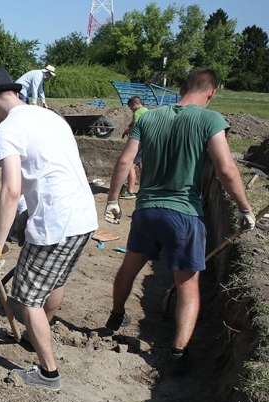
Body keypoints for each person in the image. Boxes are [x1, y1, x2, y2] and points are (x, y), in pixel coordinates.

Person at [103, 68, 256, 374]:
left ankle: (115, 317)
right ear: (210, 92)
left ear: (183, 87)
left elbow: (124, 161)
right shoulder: (210, 120)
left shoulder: (147, 118)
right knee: (187, 284)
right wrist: (244, 208)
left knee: (130, 266)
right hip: (184, 214)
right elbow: (225, 169)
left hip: (146, 211)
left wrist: (112, 200)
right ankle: (177, 351)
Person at [0, 68, 97, 391]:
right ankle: (36, 335)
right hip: (83, 217)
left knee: (27, 297)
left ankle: (48, 373)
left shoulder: (7, 129)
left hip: (54, 224)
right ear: (14, 93)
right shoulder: (50, 116)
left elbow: (11, 190)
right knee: (54, 281)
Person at [119, 96, 149, 199]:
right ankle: (144, 189)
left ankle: (131, 191)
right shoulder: (147, 111)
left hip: (139, 143)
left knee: (131, 166)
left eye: (130, 107)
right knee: (142, 166)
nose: (131, 110)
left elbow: (136, 127)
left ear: (134, 104)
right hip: (147, 142)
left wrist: (126, 131)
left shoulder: (138, 112)